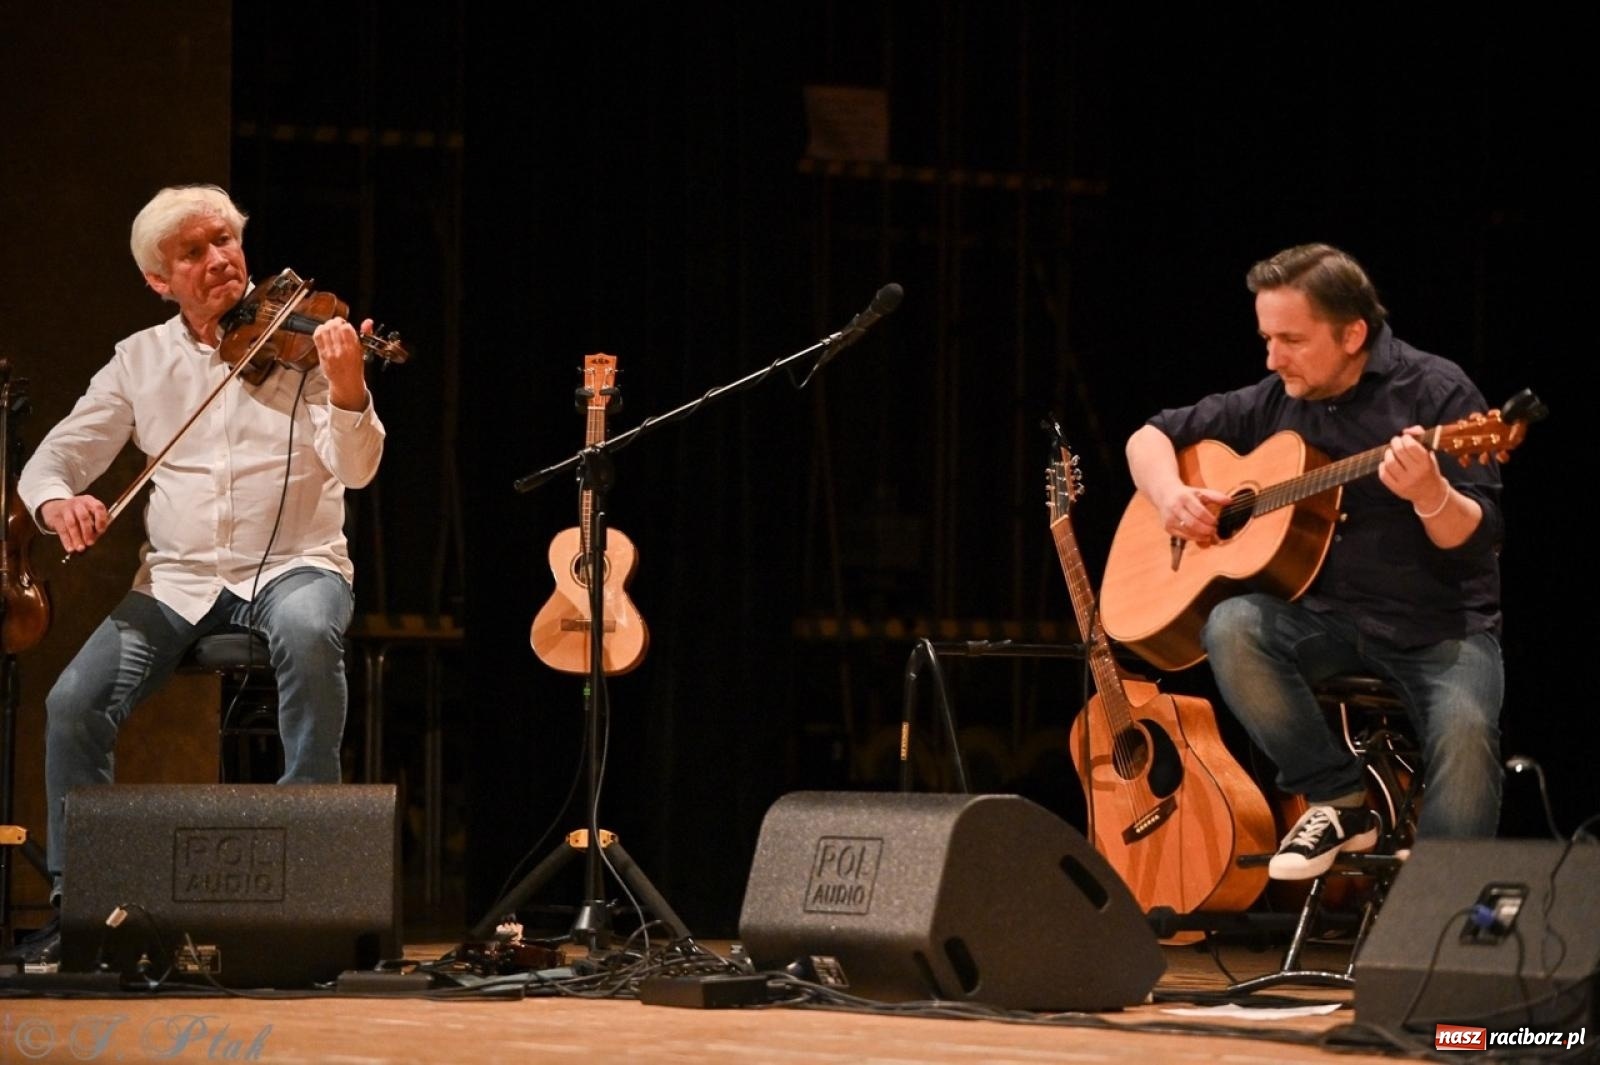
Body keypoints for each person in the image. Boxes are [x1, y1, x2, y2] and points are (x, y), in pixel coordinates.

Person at [4, 184, 385, 964]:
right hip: (176, 581)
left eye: (226, 241)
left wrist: (349, 387)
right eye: (194, 252)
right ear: (159, 279)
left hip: (294, 564)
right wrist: (56, 504)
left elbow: (357, 466)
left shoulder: (301, 335)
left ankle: (308, 872)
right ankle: (84, 903)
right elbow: (56, 457)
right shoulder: (138, 361)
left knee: (312, 632)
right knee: (73, 702)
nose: (219, 259)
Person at [1124, 243, 1503, 880]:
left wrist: (1431, 494)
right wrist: (1171, 497)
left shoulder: (1439, 392)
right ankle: (1336, 795)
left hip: (1438, 628)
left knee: (1466, 741)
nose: (1272, 358)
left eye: (1291, 340)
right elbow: (1151, 435)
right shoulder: (1277, 398)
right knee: (1232, 625)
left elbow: (1475, 534)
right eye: (1267, 338)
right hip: (1324, 623)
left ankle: (1438, 909)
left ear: (1353, 333)